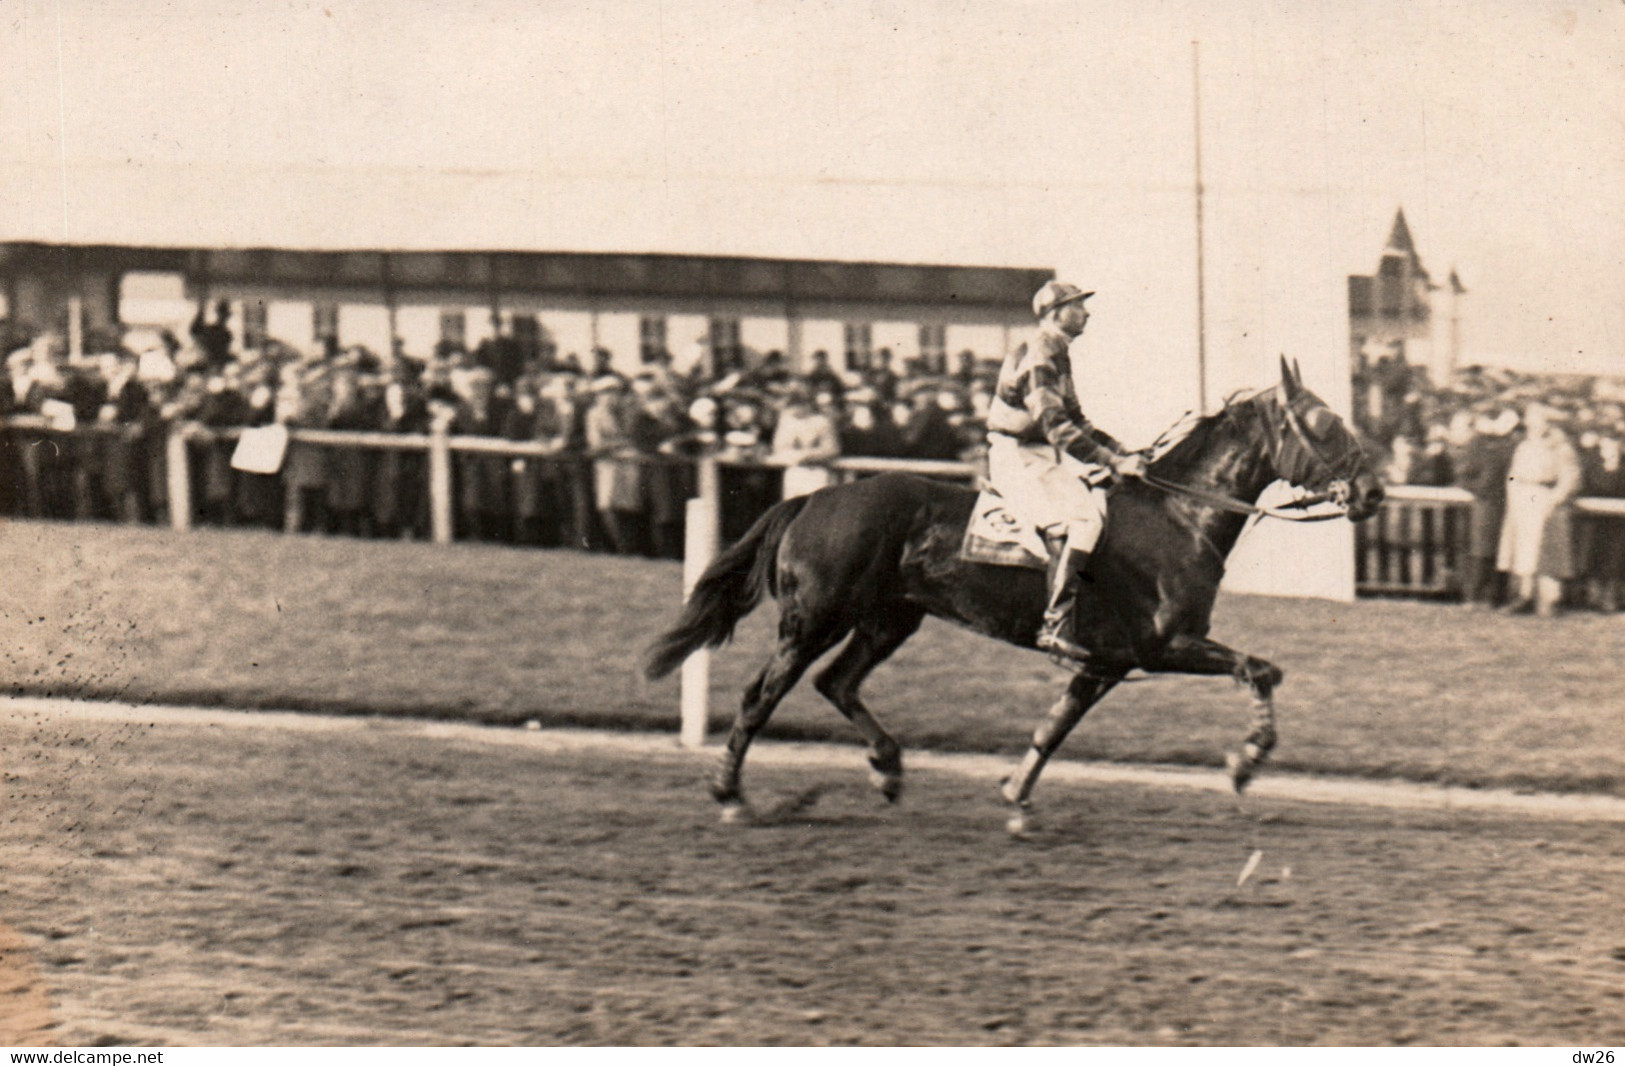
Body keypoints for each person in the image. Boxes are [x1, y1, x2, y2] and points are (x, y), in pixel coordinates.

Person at [985, 281, 1143, 662]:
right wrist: (1112, 461)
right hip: (1018, 456)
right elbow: (1056, 426)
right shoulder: (1040, 353)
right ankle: (1054, 625)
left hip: (1036, 456)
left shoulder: (1057, 352)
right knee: (1084, 523)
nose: (1086, 313)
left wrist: (1123, 451)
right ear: (1056, 314)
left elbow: (1077, 422)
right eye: (1077, 306)